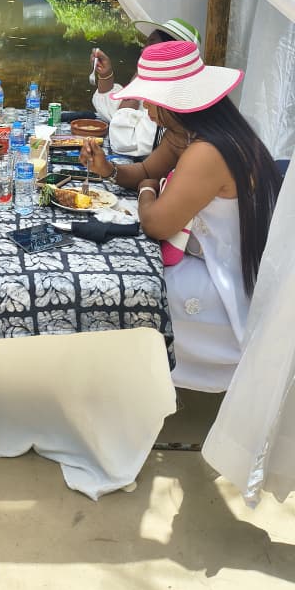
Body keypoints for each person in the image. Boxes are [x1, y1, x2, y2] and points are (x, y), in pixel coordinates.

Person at [81, 40, 282, 392]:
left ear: (174, 103)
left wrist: (147, 191)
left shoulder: (208, 151)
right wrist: (108, 170)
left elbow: (157, 223)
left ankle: (110, 384)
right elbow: (146, 168)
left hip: (224, 277)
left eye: (150, 100)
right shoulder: (186, 135)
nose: (144, 106)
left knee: (119, 289)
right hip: (203, 253)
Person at [91, 17, 201, 157]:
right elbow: (115, 114)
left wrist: (137, 86)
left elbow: (124, 140)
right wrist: (106, 75)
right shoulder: (158, 87)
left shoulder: (170, 102)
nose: (143, 49)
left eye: (151, 42)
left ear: (169, 51)